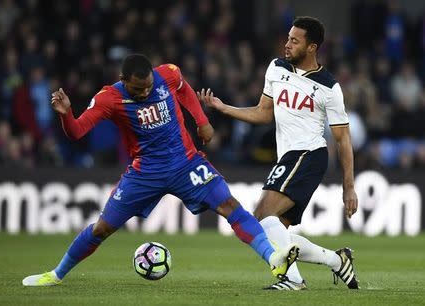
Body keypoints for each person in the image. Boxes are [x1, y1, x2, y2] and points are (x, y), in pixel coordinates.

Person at [22, 54, 299, 286]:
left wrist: (201, 121)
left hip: (186, 163)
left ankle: (273, 259)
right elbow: (77, 131)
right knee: (102, 228)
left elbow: (184, 89)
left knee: (229, 205)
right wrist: (66, 115)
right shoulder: (109, 98)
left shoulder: (167, 74)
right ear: (123, 81)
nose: (145, 92)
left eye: (148, 87)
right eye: (138, 89)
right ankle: (56, 274)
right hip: (145, 173)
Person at [198, 16, 359, 290]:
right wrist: (224, 108)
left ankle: (293, 279)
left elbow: (343, 140)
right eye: (288, 38)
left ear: (312, 47)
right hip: (288, 157)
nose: (287, 45)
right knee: (275, 231)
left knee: (260, 217)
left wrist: (349, 187)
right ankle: (337, 261)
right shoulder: (276, 68)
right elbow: (263, 113)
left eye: (295, 41)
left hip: (309, 154)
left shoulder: (329, 87)